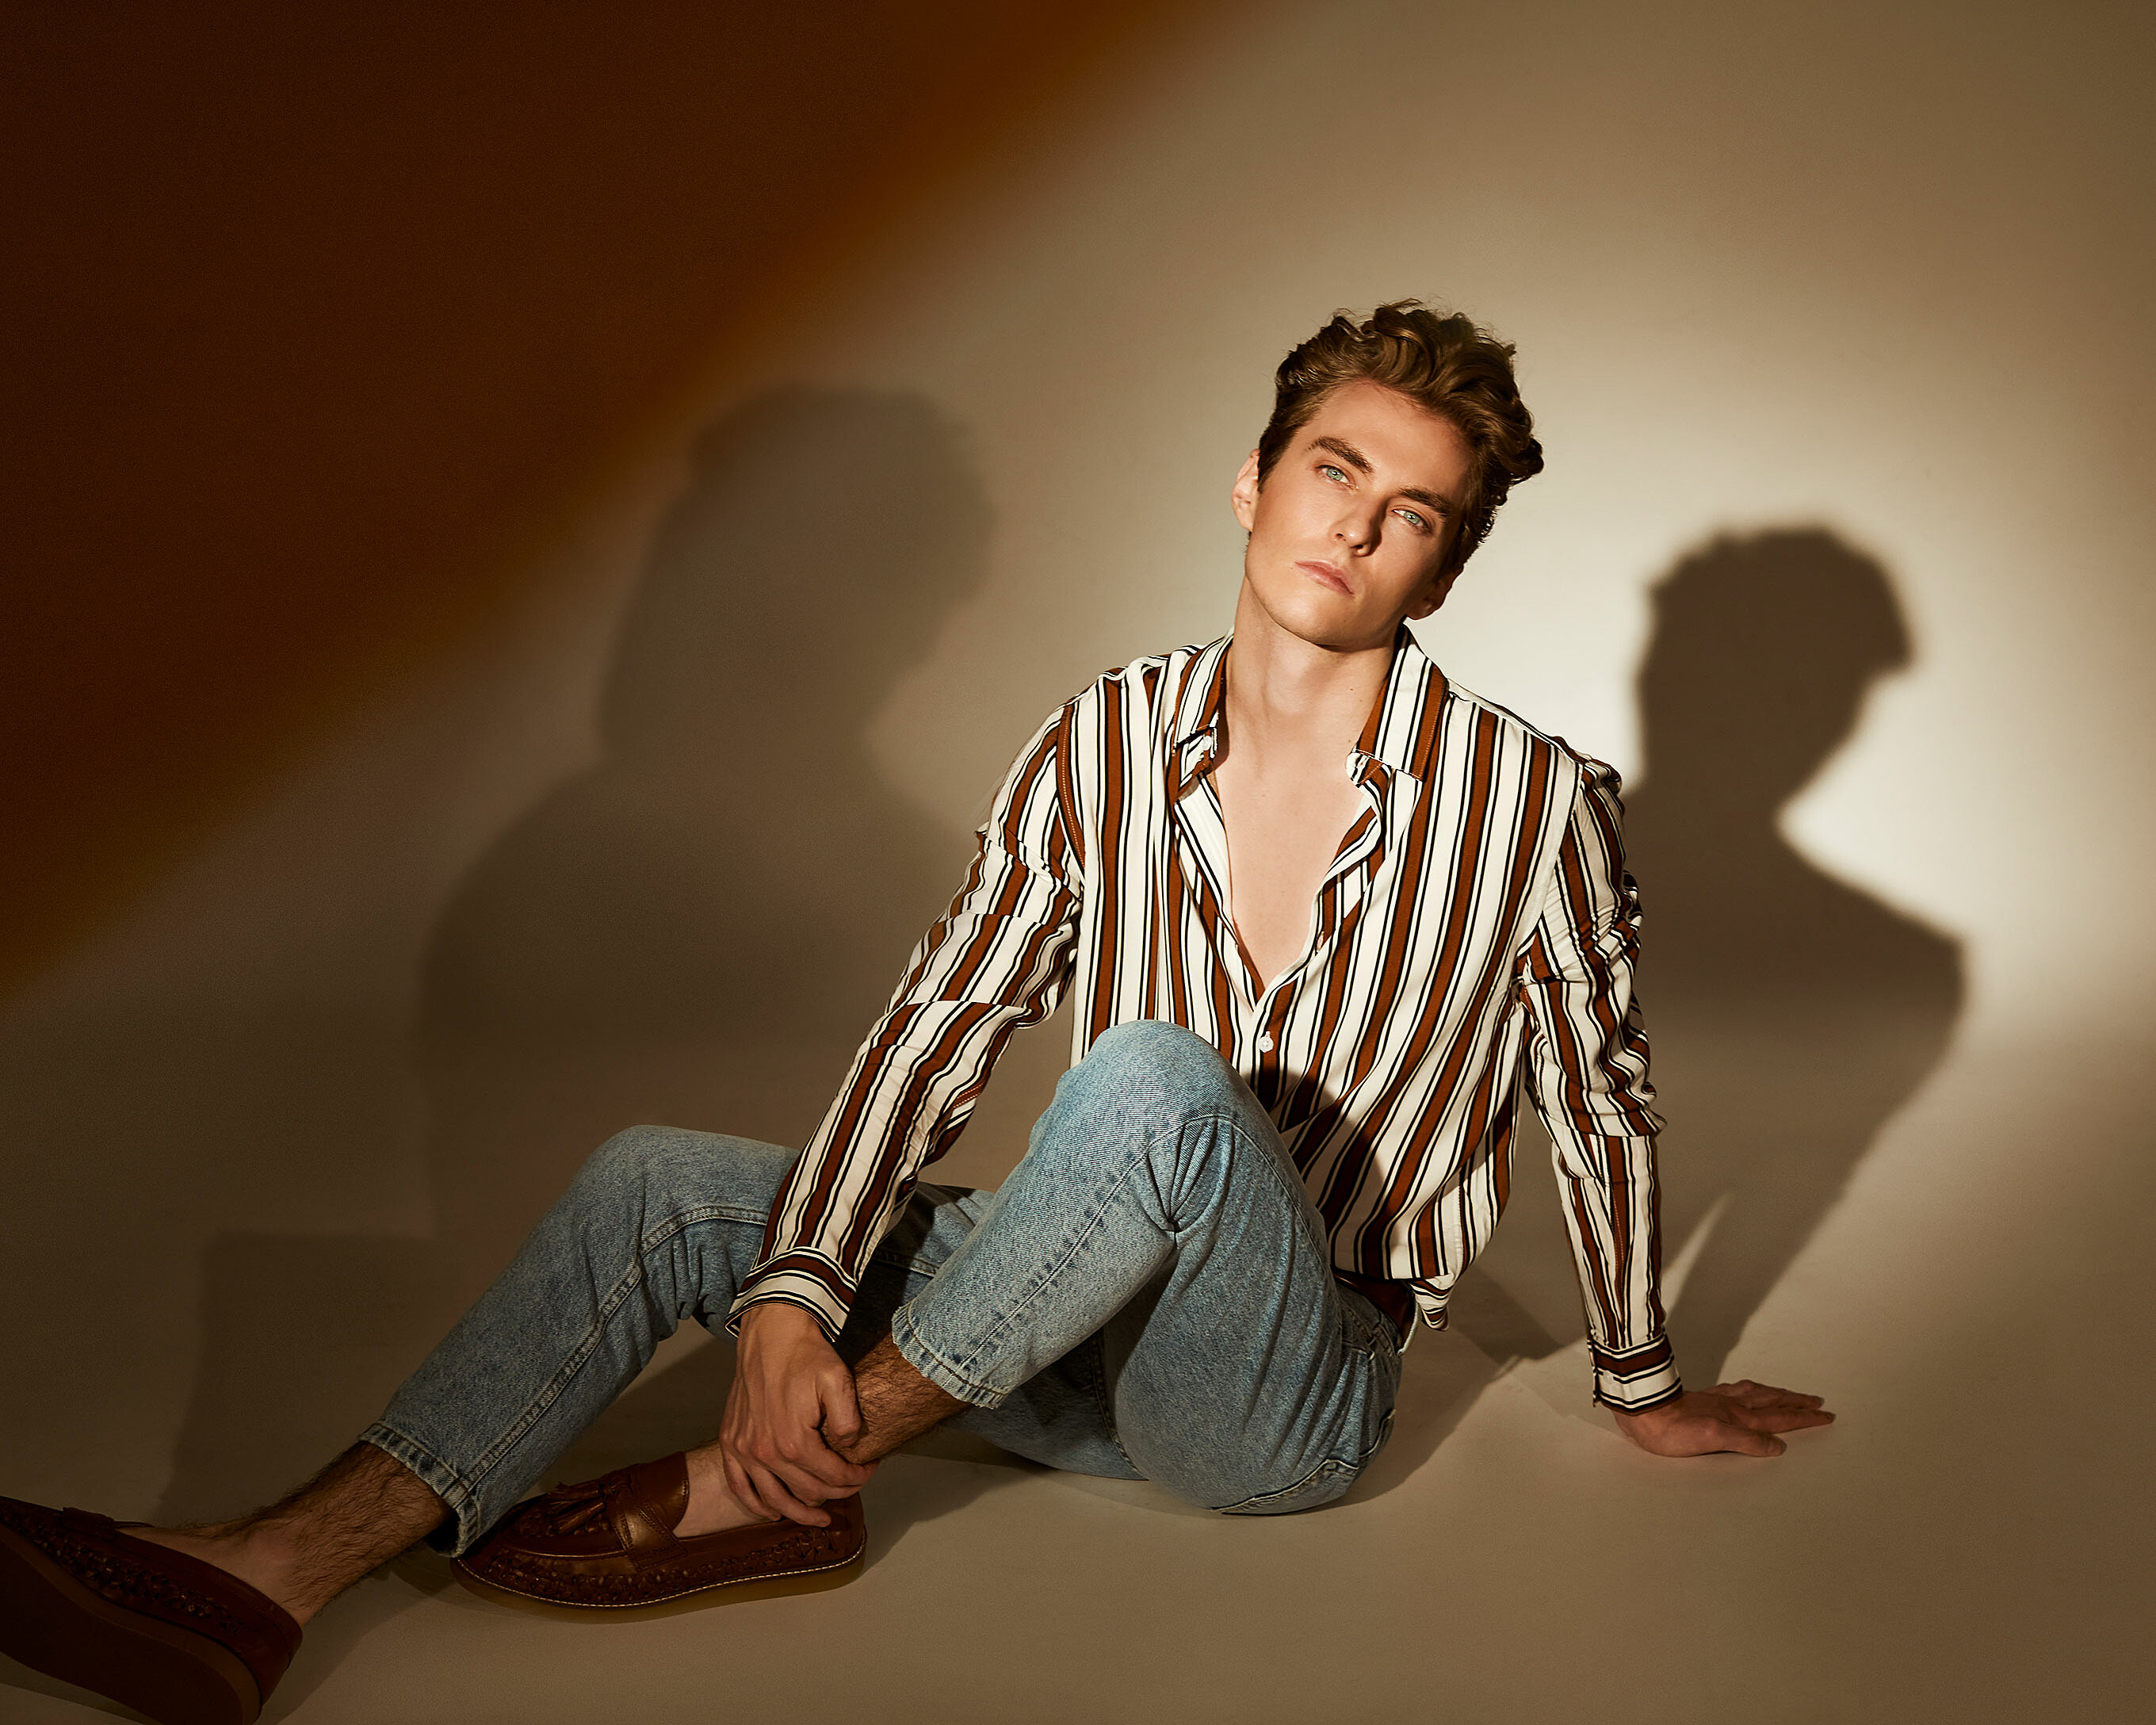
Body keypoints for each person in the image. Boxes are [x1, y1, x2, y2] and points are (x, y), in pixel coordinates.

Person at [0, 301, 1833, 1725]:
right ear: (1253, 478)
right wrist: (798, 1284)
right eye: (1335, 469)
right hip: (1041, 1328)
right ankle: (268, 1575)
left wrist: (1643, 1379)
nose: (1358, 527)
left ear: (1442, 566)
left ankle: (791, 1472)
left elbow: (1596, 1096)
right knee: (661, 1175)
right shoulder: (1100, 737)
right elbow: (937, 1018)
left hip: (1278, 1389)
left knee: (1149, 1079)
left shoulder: (1532, 802)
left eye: (1412, 511)